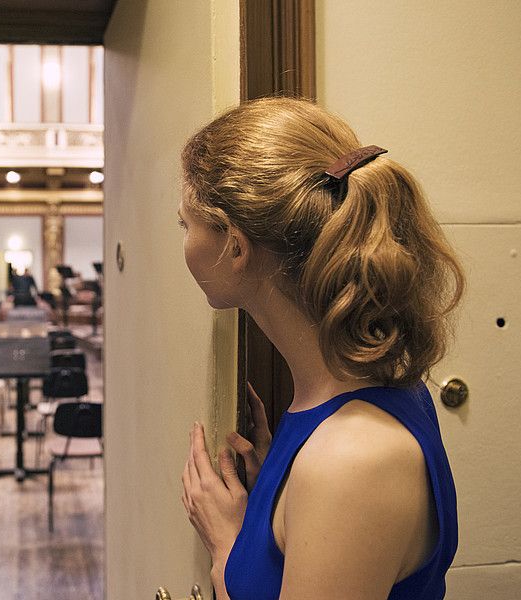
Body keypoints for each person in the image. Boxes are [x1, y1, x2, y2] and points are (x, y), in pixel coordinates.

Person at [177, 97, 465, 599]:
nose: (183, 240)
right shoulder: (332, 412)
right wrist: (280, 508)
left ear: (236, 247)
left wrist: (227, 554)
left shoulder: (353, 460)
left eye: (186, 224)